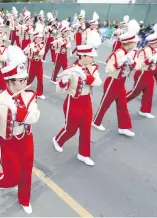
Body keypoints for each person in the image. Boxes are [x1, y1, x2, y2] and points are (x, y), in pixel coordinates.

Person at [0, 45, 40, 214]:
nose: (25, 83)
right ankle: (1, 179)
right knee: (12, 176)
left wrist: (16, 110)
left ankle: (24, 199)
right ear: (10, 81)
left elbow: (34, 117)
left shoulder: (30, 96)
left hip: (26, 139)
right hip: (7, 142)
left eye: (25, 79)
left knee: (26, 170)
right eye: (21, 81)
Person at [52, 31, 102, 166]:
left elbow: (98, 82)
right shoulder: (72, 69)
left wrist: (86, 77)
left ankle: (84, 154)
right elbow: (59, 89)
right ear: (83, 56)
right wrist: (64, 80)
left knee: (86, 129)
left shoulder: (92, 68)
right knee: (71, 129)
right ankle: (57, 140)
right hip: (73, 102)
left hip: (87, 101)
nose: (93, 59)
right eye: (90, 57)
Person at [92, 19, 141, 137]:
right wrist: (120, 62)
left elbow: (138, 66)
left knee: (123, 106)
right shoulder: (118, 53)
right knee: (105, 104)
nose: (135, 45)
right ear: (128, 43)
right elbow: (108, 69)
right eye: (133, 43)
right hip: (112, 82)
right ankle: (95, 121)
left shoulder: (132, 53)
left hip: (121, 83)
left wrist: (132, 62)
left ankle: (123, 127)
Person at [126, 22, 157, 119]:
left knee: (149, 93)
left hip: (149, 73)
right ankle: (122, 101)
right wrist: (151, 59)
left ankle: (145, 110)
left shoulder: (156, 51)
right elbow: (140, 63)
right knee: (135, 92)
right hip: (142, 73)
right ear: (154, 42)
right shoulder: (144, 50)